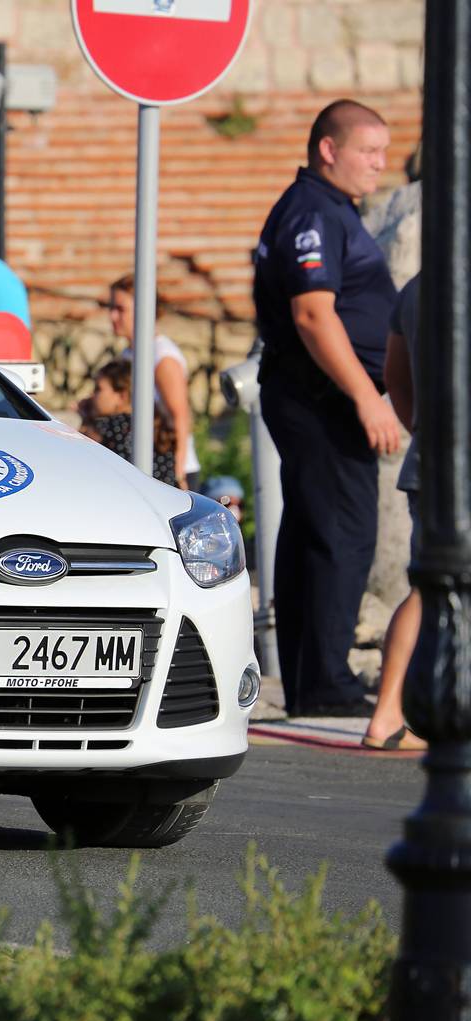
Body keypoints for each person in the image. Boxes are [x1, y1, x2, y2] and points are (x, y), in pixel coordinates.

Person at [252, 99, 401, 718]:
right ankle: (327, 683)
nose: (380, 165)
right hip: (322, 398)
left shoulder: (330, 207)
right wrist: (368, 397)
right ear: (329, 150)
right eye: (369, 152)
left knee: (318, 533)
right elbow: (314, 314)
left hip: (317, 397)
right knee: (341, 533)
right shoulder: (313, 210)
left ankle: (317, 678)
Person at [362, 273, 426, 751]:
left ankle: (388, 712)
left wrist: (422, 431)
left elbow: (394, 376)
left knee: (429, 587)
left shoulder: (419, 286)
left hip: (431, 460)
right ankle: (387, 717)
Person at [109, 273, 197, 489]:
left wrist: (177, 473)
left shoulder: (162, 356)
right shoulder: (129, 353)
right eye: (110, 308)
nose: (112, 316)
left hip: (169, 468)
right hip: (144, 463)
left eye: (121, 309)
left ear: (144, 311)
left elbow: (179, 417)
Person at [77, 361, 181, 486]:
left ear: (122, 396)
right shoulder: (158, 425)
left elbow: (80, 461)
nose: (92, 395)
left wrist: (84, 418)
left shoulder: (107, 427)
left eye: (98, 389)